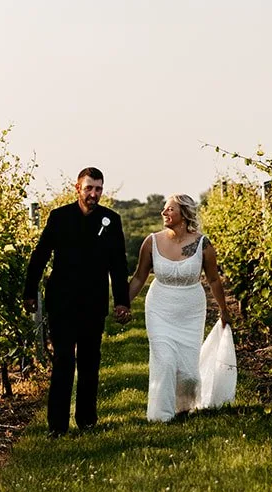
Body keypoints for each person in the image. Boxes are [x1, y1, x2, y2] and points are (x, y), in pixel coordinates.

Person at [24, 167, 130, 436]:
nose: (94, 194)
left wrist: (121, 301)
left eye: (98, 189)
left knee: (89, 362)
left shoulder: (111, 220)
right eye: (89, 188)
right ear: (77, 188)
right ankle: (57, 426)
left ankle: (87, 420)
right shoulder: (59, 217)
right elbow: (40, 255)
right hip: (62, 301)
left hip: (93, 302)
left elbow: (118, 264)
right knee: (62, 361)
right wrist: (29, 292)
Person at [128, 193, 232, 422]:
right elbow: (138, 277)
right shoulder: (152, 242)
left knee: (188, 371)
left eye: (170, 209)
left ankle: (183, 409)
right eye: (164, 209)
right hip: (159, 307)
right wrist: (123, 304)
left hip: (190, 310)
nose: (164, 213)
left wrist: (224, 310)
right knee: (164, 361)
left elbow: (214, 280)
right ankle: (160, 415)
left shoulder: (203, 244)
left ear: (184, 214)